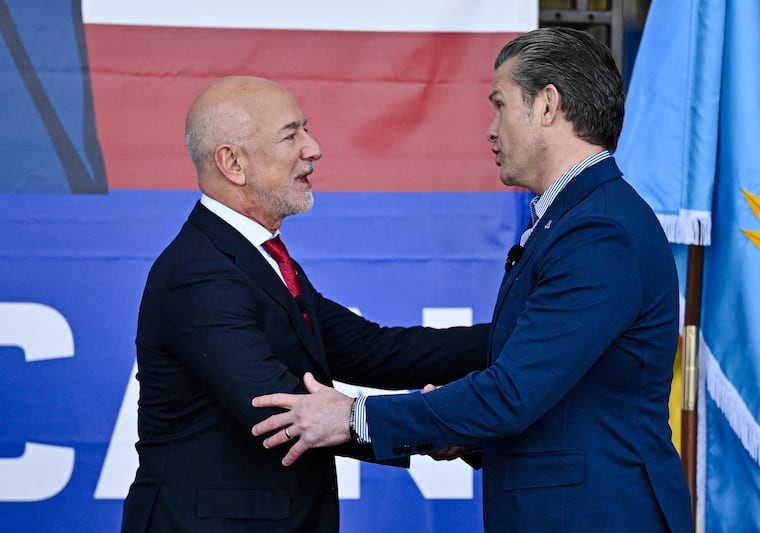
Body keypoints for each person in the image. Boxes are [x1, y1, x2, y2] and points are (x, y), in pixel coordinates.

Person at [251, 28, 694, 532]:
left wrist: (354, 416)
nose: (490, 129)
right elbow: (571, 396)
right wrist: (471, 436)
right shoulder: (577, 218)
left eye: (500, 105)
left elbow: (512, 393)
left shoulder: (598, 229)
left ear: (548, 105)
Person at [120, 75, 489, 532]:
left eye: (306, 130)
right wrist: (434, 425)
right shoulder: (200, 274)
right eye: (291, 134)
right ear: (232, 162)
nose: (313, 148)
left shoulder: (258, 260)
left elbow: (380, 351)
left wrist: (525, 332)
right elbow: (286, 412)